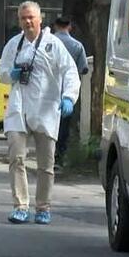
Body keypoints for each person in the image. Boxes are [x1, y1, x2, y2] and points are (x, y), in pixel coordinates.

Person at [0, 1, 80, 225]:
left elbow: (70, 71)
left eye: (31, 17)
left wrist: (69, 97)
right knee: (16, 158)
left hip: (46, 110)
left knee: (46, 165)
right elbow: (0, 71)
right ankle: (20, 206)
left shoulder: (53, 45)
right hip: (18, 109)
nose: (28, 21)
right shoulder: (14, 44)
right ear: (19, 21)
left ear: (40, 19)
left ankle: (43, 207)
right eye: (23, 18)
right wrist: (10, 74)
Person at [52, 16, 89, 171]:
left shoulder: (47, 42)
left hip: (47, 92)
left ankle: (46, 154)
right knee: (64, 127)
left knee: (47, 126)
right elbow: (84, 69)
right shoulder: (77, 46)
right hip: (67, 93)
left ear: (55, 26)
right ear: (70, 27)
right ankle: (58, 158)